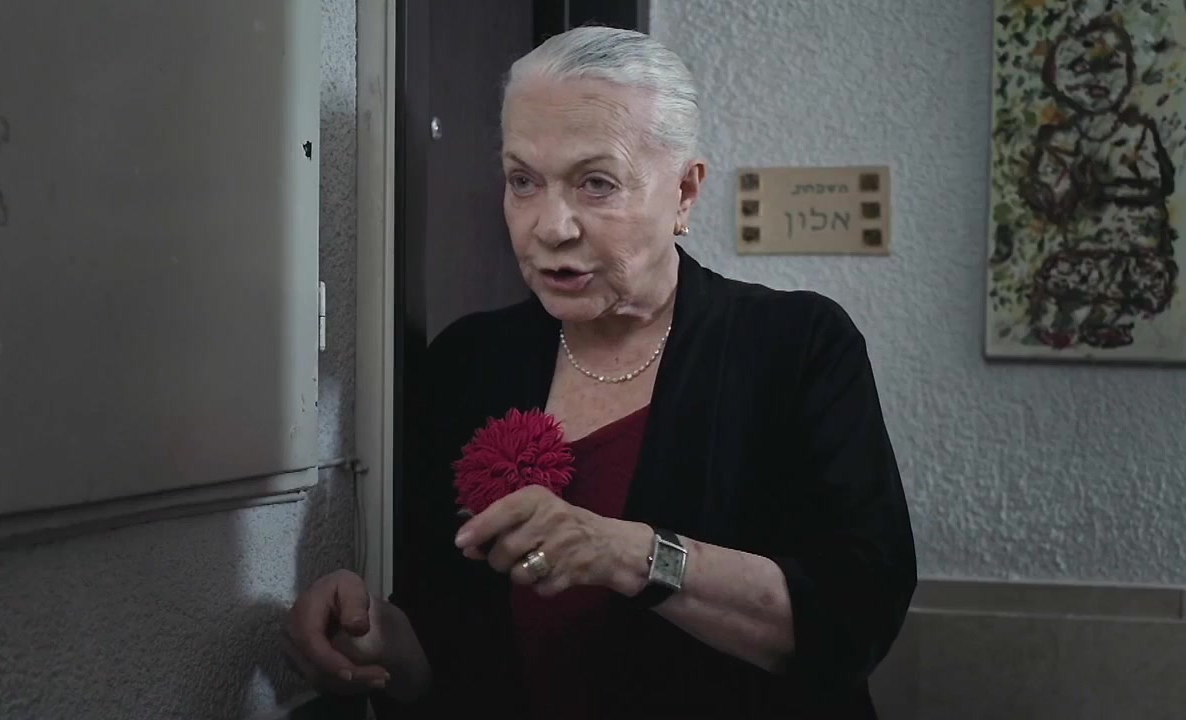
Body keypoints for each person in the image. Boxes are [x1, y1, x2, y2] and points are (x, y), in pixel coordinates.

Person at [286, 26, 916, 719]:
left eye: (596, 183)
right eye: (523, 181)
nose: (550, 226)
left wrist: (630, 555)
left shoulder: (795, 348)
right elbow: (447, 646)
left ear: (684, 192)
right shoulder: (469, 362)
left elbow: (855, 618)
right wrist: (377, 638)